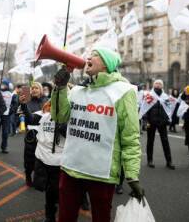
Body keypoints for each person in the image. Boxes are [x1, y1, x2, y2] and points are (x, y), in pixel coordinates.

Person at [51, 48, 143, 222]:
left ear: (107, 63)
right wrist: (60, 88)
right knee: (64, 217)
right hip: (71, 168)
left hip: (101, 173)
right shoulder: (78, 90)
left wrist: (132, 175)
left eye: (94, 55)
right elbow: (59, 116)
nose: (88, 57)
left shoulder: (123, 91)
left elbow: (130, 138)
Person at [21, 100, 65, 222]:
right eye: (51, 106)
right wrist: (24, 105)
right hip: (43, 160)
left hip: (59, 163)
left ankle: (57, 209)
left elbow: (67, 132)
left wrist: (60, 122)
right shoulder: (44, 117)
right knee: (48, 191)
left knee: (56, 191)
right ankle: (49, 216)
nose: (52, 108)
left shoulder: (67, 121)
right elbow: (30, 118)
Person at [19, 82, 48, 186]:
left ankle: (39, 177)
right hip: (31, 134)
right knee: (29, 158)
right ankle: (28, 176)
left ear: (41, 90)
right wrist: (22, 106)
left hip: (44, 134)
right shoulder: (26, 101)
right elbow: (24, 117)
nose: (34, 90)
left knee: (42, 157)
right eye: (32, 88)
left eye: (37, 88)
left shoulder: (46, 101)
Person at [143, 79, 175, 169]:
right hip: (151, 121)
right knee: (150, 141)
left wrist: (168, 119)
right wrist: (145, 121)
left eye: (160, 84)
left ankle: (169, 161)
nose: (158, 85)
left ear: (162, 86)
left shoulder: (165, 97)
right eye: (156, 83)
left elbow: (169, 109)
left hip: (162, 122)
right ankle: (150, 160)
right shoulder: (149, 95)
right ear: (153, 85)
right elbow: (145, 109)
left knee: (165, 142)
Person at [0, 80, 13, 154]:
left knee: (5, 132)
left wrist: (11, 111)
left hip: (6, 115)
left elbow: (14, 104)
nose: (3, 86)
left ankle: (4, 147)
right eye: (2, 84)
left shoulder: (11, 94)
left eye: (4, 84)